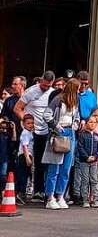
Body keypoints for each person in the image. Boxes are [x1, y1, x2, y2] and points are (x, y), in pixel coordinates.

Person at [42, 77, 80, 209]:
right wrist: (56, 125)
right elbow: (47, 114)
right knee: (55, 167)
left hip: (71, 133)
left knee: (66, 168)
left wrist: (76, 124)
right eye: (77, 89)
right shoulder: (58, 99)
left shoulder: (76, 100)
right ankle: (50, 197)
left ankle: (60, 195)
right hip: (59, 132)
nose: (79, 91)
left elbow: (77, 116)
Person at [15, 69, 54, 198]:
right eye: (44, 85)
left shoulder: (52, 93)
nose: (45, 87)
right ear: (41, 80)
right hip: (32, 132)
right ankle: (22, 190)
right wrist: (26, 121)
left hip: (45, 131)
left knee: (42, 162)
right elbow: (17, 108)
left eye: (48, 86)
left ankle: (39, 190)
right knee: (28, 161)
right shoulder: (31, 91)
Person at [74, 114, 98, 208]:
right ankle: (85, 199)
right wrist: (86, 157)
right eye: (90, 122)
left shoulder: (97, 136)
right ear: (86, 124)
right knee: (85, 180)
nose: (92, 124)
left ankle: (95, 199)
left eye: (94, 122)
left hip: (94, 162)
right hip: (84, 162)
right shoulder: (82, 135)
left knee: (94, 180)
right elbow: (80, 147)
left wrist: (95, 157)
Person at [15, 114, 34, 205]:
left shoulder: (29, 132)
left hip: (27, 155)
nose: (30, 125)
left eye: (32, 123)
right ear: (23, 124)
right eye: (28, 123)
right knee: (22, 176)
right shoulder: (25, 133)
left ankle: (21, 194)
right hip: (24, 156)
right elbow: (25, 146)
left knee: (25, 175)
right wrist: (27, 158)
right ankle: (20, 194)